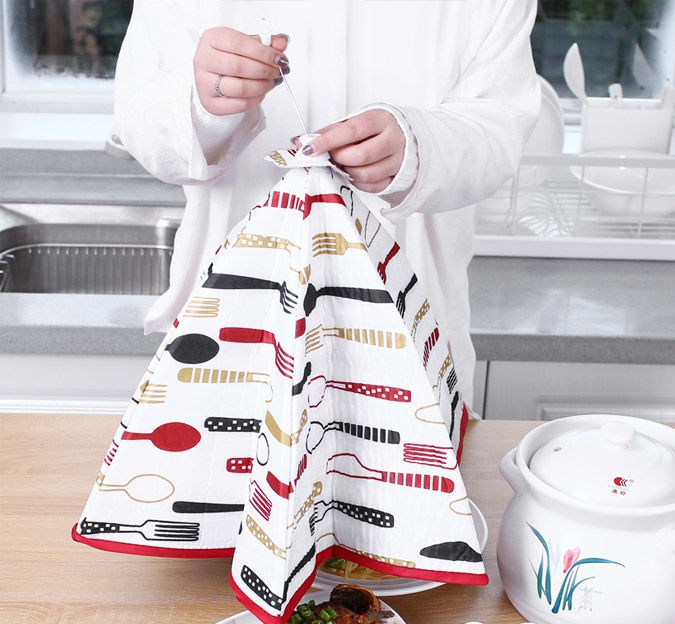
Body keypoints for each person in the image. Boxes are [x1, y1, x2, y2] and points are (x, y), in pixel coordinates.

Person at [113, 0, 540, 409]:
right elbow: (144, 127)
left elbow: (500, 128)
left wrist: (418, 147)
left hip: (411, 337)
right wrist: (203, 101)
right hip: (231, 338)